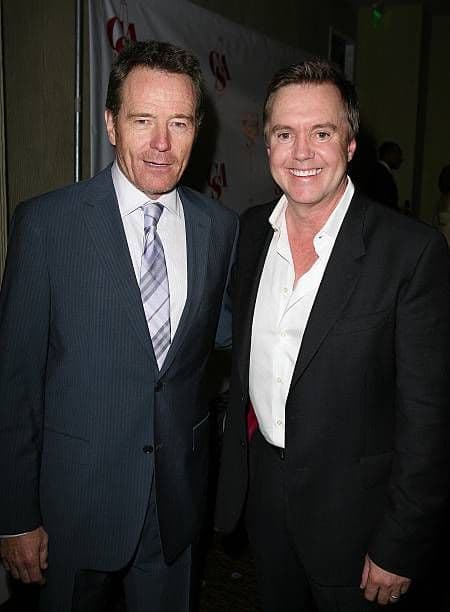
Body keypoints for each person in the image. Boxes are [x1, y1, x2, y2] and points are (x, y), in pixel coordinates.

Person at [0, 40, 237, 612]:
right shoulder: (47, 224)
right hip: (73, 509)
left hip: (175, 507)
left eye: (179, 123)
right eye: (142, 120)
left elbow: (230, 336)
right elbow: (14, 383)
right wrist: (14, 517)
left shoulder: (220, 228)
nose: (162, 143)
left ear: (197, 129)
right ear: (111, 124)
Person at [215, 58, 449, 611]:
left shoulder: (410, 253)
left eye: (321, 133)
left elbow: (430, 419)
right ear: (267, 144)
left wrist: (400, 542)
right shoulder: (249, 232)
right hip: (265, 497)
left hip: (359, 521)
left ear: (350, 143)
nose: (301, 152)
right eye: (284, 134)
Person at [366, 141, 403, 209]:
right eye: (397, 154)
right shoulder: (382, 175)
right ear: (387, 154)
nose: (400, 158)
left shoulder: (378, 171)